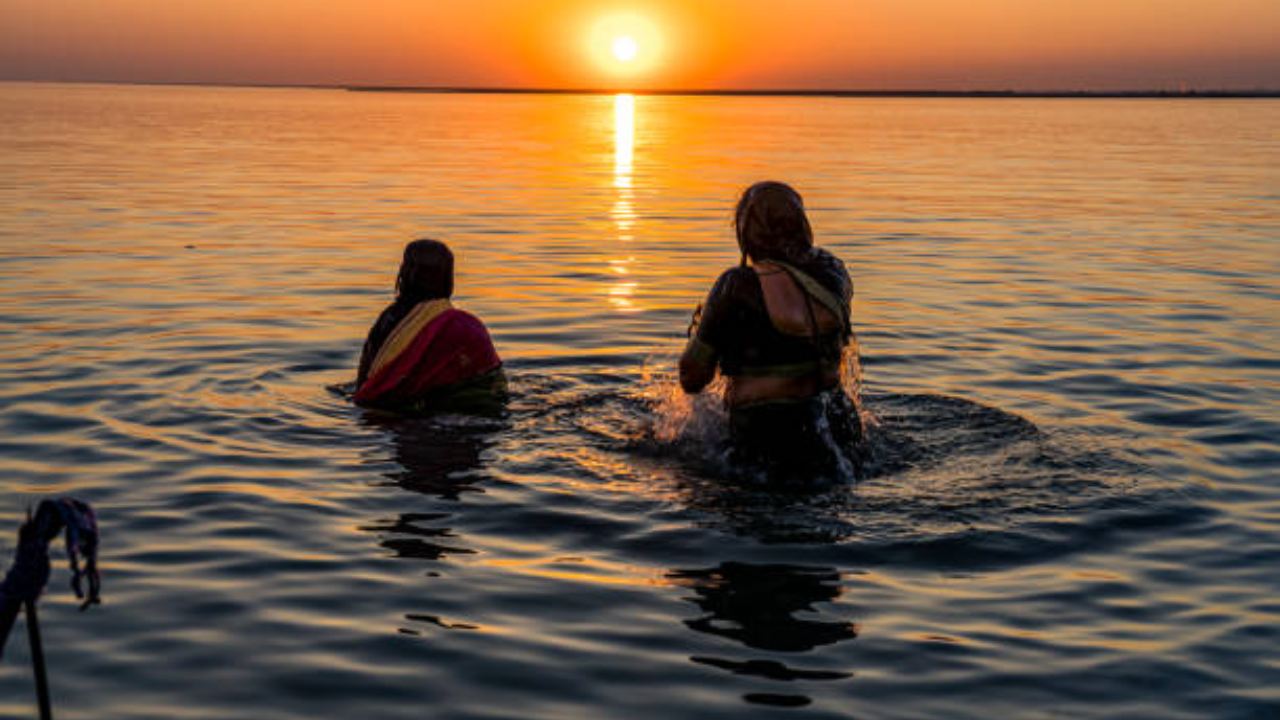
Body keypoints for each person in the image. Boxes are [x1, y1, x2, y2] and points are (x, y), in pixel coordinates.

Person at [679, 181, 864, 480]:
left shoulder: (735, 285)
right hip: (835, 424)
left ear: (746, 235)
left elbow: (692, 378)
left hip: (763, 438)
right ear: (803, 225)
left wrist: (704, 330)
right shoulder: (834, 274)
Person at [355, 239, 504, 412]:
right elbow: (491, 381)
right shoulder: (464, 325)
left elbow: (366, 380)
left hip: (398, 412)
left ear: (404, 272)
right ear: (448, 277)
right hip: (467, 413)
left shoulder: (389, 318)